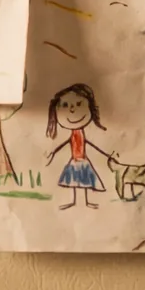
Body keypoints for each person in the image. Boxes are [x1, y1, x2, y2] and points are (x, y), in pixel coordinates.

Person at [44, 82, 111, 210]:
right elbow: (66, 143)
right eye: (65, 105)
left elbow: (89, 144)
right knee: (75, 181)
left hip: (82, 160)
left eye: (79, 104)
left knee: (84, 181)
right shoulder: (74, 134)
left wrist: (106, 154)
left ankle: (86, 202)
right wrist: (53, 152)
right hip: (74, 160)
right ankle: (74, 201)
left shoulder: (80, 133)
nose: (72, 109)